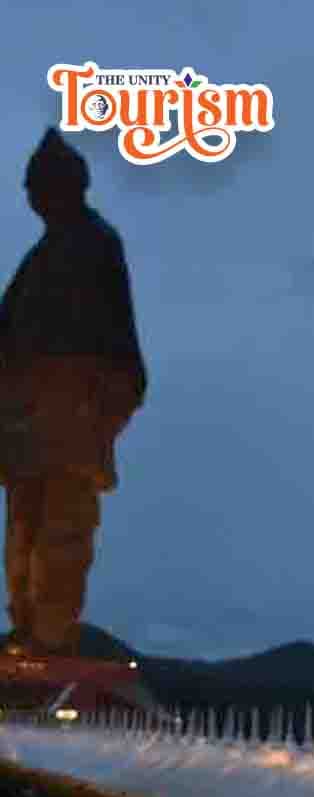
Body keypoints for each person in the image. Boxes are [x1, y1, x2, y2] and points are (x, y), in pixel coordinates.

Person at [0, 128, 146, 657]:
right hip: (26, 419)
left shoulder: (95, 243)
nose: (31, 195)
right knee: (23, 532)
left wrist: (99, 407)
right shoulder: (37, 261)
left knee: (63, 528)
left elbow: (113, 339)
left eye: (37, 185)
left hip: (73, 410)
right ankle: (27, 630)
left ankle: (52, 637)